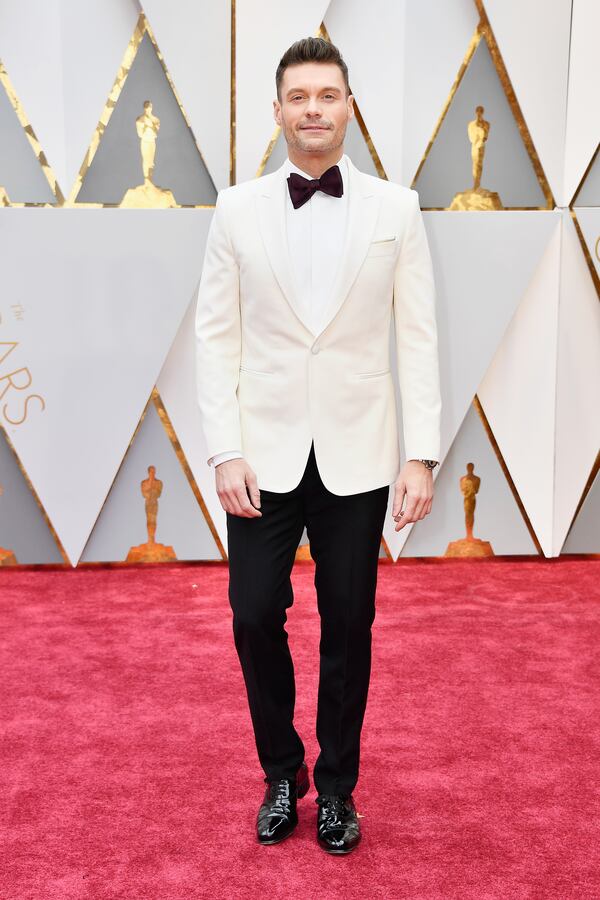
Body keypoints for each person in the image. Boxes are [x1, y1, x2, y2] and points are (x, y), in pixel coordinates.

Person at [195, 36, 441, 855]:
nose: (312, 110)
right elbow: (215, 338)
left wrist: (423, 452)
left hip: (359, 453)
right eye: (298, 97)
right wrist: (225, 449)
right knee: (252, 612)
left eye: (327, 96)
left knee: (350, 622)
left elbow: (420, 337)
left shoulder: (395, 210)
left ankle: (336, 788)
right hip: (260, 456)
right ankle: (281, 772)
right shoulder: (236, 210)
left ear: (347, 107)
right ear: (277, 111)